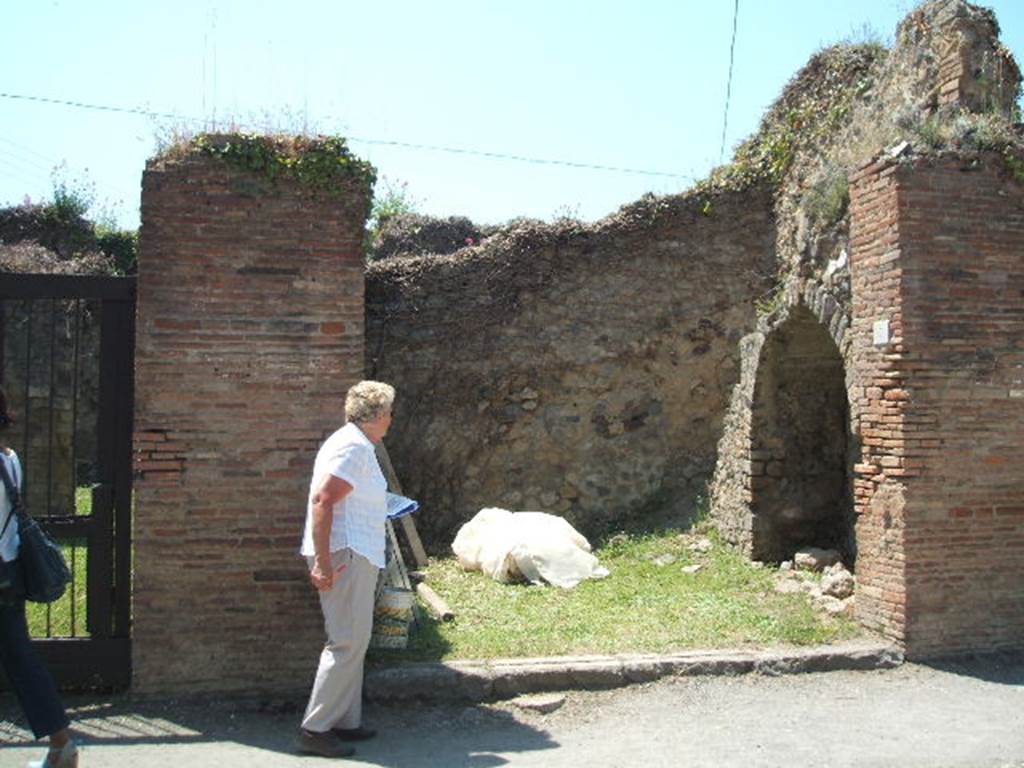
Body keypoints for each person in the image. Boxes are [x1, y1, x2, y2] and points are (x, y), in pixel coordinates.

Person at [297, 380, 395, 759]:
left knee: (355, 639)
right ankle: (315, 728)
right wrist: (322, 562)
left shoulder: (356, 444)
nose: (390, 419)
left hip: (354, 553)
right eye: (388, 412)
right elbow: (323, 500)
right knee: (347, 641)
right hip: (345, 554)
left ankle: (344, 720)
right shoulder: (353, 447)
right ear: (375, 415)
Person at [0, 387, 79, 768]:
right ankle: (62, 745)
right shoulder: (10, 459)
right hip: (9, 570)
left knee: (20, 659)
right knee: (21, 659)